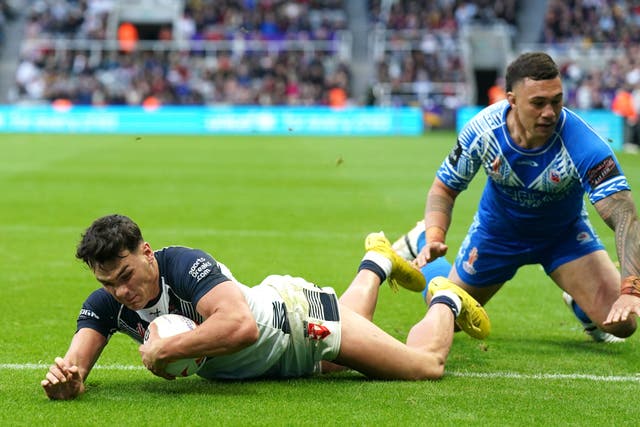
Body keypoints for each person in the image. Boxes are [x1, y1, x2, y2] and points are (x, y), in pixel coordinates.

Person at [41, 214, 490, 400]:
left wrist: (168, 350)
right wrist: (69, 382)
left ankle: (445, 298)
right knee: (355, 335)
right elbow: (77, 365)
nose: (121, 292)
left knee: (424, 366)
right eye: (108, 284)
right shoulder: (108, 304)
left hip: (297, 322)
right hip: (272, 360)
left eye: (125, 277)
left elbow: (240, 328)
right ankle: (376, 260)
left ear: (147, 253)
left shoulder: (184, 265)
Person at [392, 51, 640, 343]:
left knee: (624, 324)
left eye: (556, 101)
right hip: (498, 234)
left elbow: (625, 216)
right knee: (450, 317)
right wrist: (435, 234)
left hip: (564, 236)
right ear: (511, 100)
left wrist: (631, 290)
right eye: (538, 103)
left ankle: (580, 304)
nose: (549, 112)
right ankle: (419, 239)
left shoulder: (585, 144)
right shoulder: (482, 131)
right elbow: (444, 188)